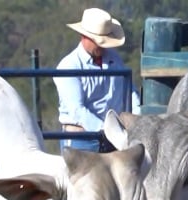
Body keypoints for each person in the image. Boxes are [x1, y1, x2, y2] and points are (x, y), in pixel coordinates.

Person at [55, 7, 141, 152]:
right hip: (83, 139)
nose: (102, 46)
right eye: (98, 41)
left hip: (115, 138)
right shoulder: (68, 66)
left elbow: (129, 90)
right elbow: (77, 111)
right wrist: (110, 130)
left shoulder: (114, 58)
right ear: (84, 37)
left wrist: (138, 115)